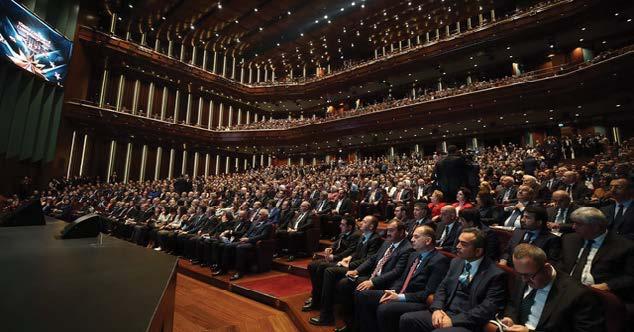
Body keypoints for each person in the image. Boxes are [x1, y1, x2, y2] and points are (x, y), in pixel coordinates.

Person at [399, 228, 507, 332]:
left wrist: (453, 321)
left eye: (463, 244)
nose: (457, 246)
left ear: (478, 251)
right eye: (459, 242)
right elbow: (442, 288)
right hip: (445, 312)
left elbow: (487, 308)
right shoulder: (456, 262)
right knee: (408, 319)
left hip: (467, 322)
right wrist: (437, 309)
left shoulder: (495, 274)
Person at [355, 225, 450, 332]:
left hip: (417, 300)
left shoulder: (439, 260)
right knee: (363, 295)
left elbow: (428, 292)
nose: (412, 239)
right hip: (400, 293)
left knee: (385, 308)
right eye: (413, 236)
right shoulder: (413, 255)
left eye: (416, 237)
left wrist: (399, 297)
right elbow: (402, 280)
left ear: (428, 241)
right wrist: (393, 291)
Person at [500, 244, 605, 332]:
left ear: (546, 269)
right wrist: (510, 318)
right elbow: (513, 303)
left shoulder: (579, 294)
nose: (524, 280)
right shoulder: (524, 274)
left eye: (529, 275)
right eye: (520, 274)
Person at [334, 220, 413, 330]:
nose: (388, 233)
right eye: (387, 230)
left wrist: (373, 282)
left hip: (385, 282)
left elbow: (397, 271)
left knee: (359, 292)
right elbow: (373, 259)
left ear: (401, 232)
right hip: (373, 276)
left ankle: (359, 326)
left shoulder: (407, 248)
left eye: (391, 230)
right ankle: (350, 323)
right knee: (344, 284)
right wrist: (357, 271)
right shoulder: (388, 242)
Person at [307, 215, 383, 326]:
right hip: (353, 265)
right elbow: (356, 253)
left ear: (371, 226)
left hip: (361, 270)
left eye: (364, 221)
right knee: (322, 267)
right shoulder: (363, 236)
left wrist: (348, 265)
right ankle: (319, 303)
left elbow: (368, 260)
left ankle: (326, 316)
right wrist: (349, 258)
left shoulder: (375, 239)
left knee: (329, 271)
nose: (361, 222)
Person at [558, 207, 634, 304]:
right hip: (566, 289)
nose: (573, 227)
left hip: (597, 294)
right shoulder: (569, 239)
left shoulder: (625, 246)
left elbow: (630, 277)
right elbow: (561, 263)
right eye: (574, 223)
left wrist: (607, 285)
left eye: (579, 224)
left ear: (596, 227)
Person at [304, 217, 360, 311]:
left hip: (343, 260)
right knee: (311, 265)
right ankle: (316, 294)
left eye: (342, 224)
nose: (340, 226)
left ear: (349, 226)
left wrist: (334, 257)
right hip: (336, 258)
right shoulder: (344, 232)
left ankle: (317, 299)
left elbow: (350, 251)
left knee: (321, 266)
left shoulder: (356, 235)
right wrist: (330, 248)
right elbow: (337, 243)